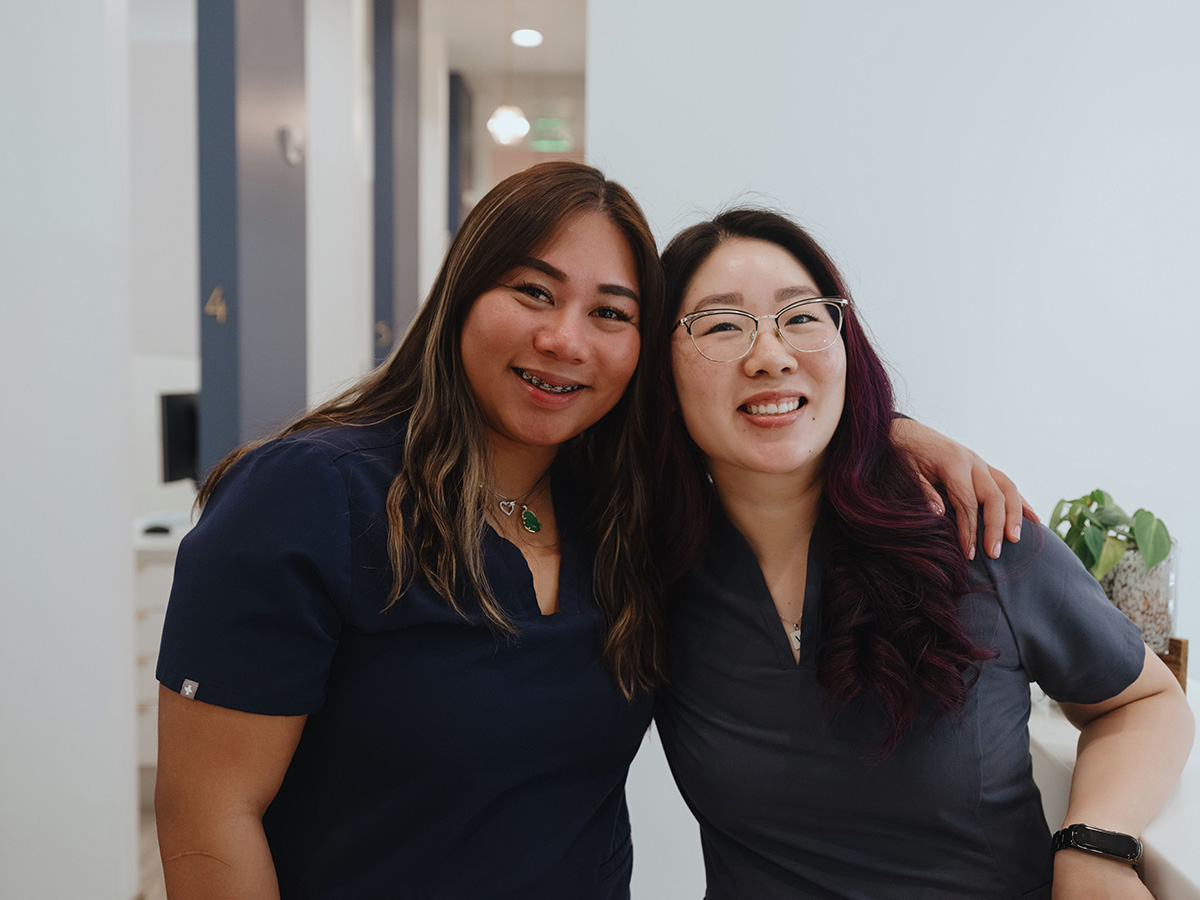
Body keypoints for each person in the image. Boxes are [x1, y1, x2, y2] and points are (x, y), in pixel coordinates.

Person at [155, 162, 1026, 900]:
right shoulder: (309, 495)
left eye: (611, 314)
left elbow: (756, 423)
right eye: (532, 292)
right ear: (461, 293)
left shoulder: (623, 510)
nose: (564, 339)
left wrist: (887, 434)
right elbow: (206, 817)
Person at [649, 208, 1194, 900]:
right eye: (722, 325)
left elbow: (1144, 699)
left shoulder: (969, 530)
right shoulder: (649, 573)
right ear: (661, 370)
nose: (771, 355)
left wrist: (1096, 845)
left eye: (804, 317)